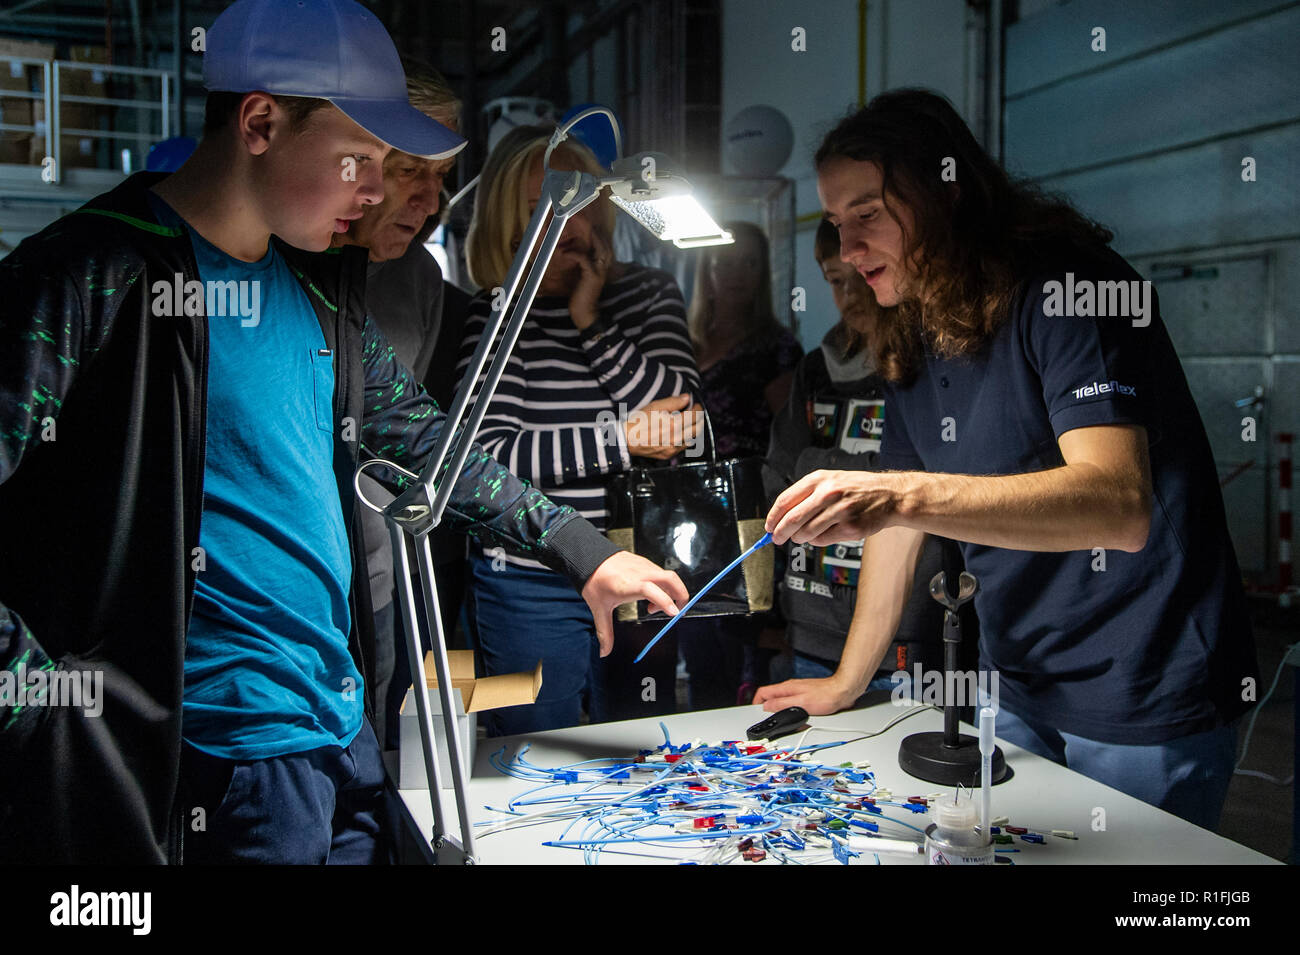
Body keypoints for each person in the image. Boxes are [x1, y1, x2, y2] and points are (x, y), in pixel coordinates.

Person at [0, 0, 686, 865]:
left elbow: (430, 443)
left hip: (341, 728)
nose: (374, 189)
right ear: (259, 121)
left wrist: (586, 548)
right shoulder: (92, 274)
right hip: (225, 760)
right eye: (359, 158)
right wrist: (50, 722)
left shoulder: (318, 288)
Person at [760, 89, 1259, 831]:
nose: (847, 248)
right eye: (836, 223)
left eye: (868, 214)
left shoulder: (1069, 286)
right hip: (1017, 681)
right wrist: (843, 680)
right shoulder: (912, 328)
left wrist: (905, 495)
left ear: (942, 191)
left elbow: (1116, 505)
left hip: (1146, 679)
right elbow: (899, 528)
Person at [458, 124, 702, 734]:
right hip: (528, 580)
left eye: (584, 202)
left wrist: (591, 323)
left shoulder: (646, 295)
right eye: (551, 204)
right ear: (513, 223)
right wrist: (619, 440)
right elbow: (486, 461)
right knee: (535, 754)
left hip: (642, 567)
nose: (573, 224)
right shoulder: (498, 312)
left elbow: (687, 427)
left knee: (645, 743)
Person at [329, 58, 466, 751]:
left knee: (369, 772)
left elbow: (410, 437)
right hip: (278, 608)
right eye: (413, 170)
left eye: (441, 179)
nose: (429, 200)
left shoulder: (420, 278)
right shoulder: (270, 272)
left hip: (379, 584)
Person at [761, 219, 960, 693]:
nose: (850, 294)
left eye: (863, 276)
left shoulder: (927, 364)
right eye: (834, 281)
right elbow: (779, 475)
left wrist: (828, 468)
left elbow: (934, 486)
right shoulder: (814, 369)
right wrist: (870, 475)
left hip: (911, 633)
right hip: (813, 622)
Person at [678, 221, 803, 707]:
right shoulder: (682, 341)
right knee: (696, 645)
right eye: (725, 261)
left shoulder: (776, 347)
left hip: (748, 517)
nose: (736, 274)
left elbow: (790, 445)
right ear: (705, 268)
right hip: (686, 518)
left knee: (742, 649)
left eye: (750, 263)